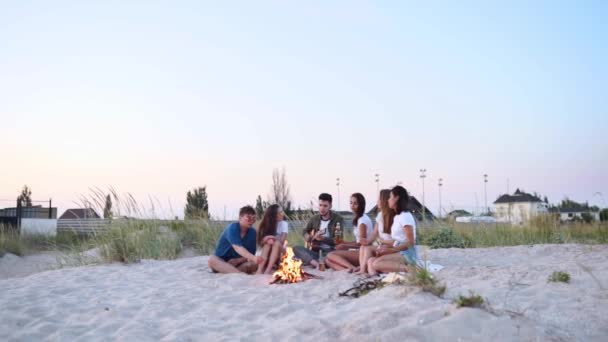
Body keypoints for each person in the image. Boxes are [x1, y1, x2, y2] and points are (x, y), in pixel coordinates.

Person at [367, 185, 418, 276]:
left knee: (376, 263)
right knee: (371, 261)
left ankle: (410, 269)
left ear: (396, 198)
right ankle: (377, 278)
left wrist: (392, 250)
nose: (388, 200)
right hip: (398, 251)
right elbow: (397, 240)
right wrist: (385, 246)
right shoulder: (397, 217)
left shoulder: (405, 216)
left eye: (390, 197)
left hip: (407, 254)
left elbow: (411, 242)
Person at [293, 193, 345, 268]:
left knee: (329, 257)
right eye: (320, 205)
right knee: (296, 248)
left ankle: (314, 261)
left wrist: (323, 239)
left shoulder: (338, 219)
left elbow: (338, 240)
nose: (322, 208)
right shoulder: (314, 219)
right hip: (315, 251)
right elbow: (305, 231)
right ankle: (316, 264)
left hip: (330, 252)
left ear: (330, 206)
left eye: (325, 206)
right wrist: (308, 237)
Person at [208, 206, 265, 274]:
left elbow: (250, 253)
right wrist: (254, 258)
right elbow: (238, 247)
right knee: (212, 259)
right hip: (222, 262)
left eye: (254, 218)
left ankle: (234, 272)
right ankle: (238, 274)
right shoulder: (232, 228)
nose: (252, 221)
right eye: (249, 218)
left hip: (238, 264)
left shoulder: (253, 232)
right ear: (240, 218)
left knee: (254, 264)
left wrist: (238, 260)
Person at [326, 193, 374, 272]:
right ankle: (348, 270)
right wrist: (344, 243)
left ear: (361, 205)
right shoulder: (359, 218)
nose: (352, 205)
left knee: (330, 255)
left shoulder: (362, 221)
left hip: (363, 253)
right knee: (328, 261)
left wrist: (345, 246)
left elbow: (362, 243)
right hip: (358, 250)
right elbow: (357, 240)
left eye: (355, 203)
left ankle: (352, 267)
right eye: (351, 203)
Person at [356, 189, 395, 275]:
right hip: (382, 244)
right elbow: (374, 233)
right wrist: (367, 241)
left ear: (384, 201)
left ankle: (363, 269)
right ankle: (363, 268)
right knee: (363, 246)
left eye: (379, 199)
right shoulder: (380, 215)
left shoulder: (393, 217)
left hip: (390, 247)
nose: (377, 201)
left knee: (368, 248)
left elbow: (395, 240)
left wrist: (382, 243)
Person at [256, 204, 289, 274]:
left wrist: (272, 238)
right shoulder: (266, 224)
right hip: (268, 253)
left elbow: (282, 242)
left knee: (276, 243)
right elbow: (260, 243)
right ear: (273, 215)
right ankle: (260, 270)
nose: (282, 214)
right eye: (279, 212)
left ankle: (268, 270)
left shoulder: (284, 224)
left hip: (281, 252)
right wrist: (266, 239)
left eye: (282, 211)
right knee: (267, 244)